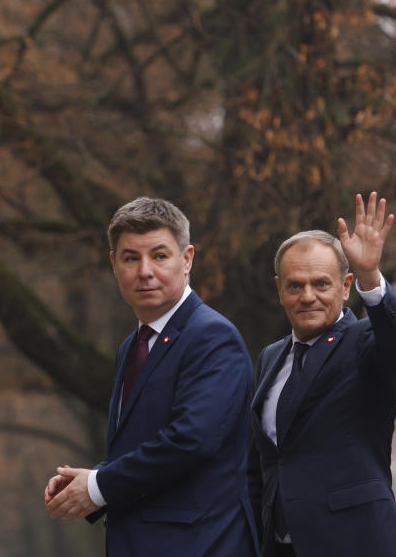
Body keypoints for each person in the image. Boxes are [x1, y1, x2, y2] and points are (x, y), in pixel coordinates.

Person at [44, 197, 258, 556]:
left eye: (159, 256)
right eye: (131, 258)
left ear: (187, 259)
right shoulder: (132, 346)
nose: (145, 271)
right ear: (114, 264)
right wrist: (86, 481)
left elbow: (191, 441)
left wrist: (98, 486)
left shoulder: (212, 336)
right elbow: (144, 442)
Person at [248, 192, 396, 557]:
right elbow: (265, 463)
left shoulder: (363, 340)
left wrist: (371, 278)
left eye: (321, 284)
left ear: (345, 287)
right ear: (280, 289)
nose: (308, 296)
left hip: (356, 543)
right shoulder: (270, 357)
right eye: (295, 285)